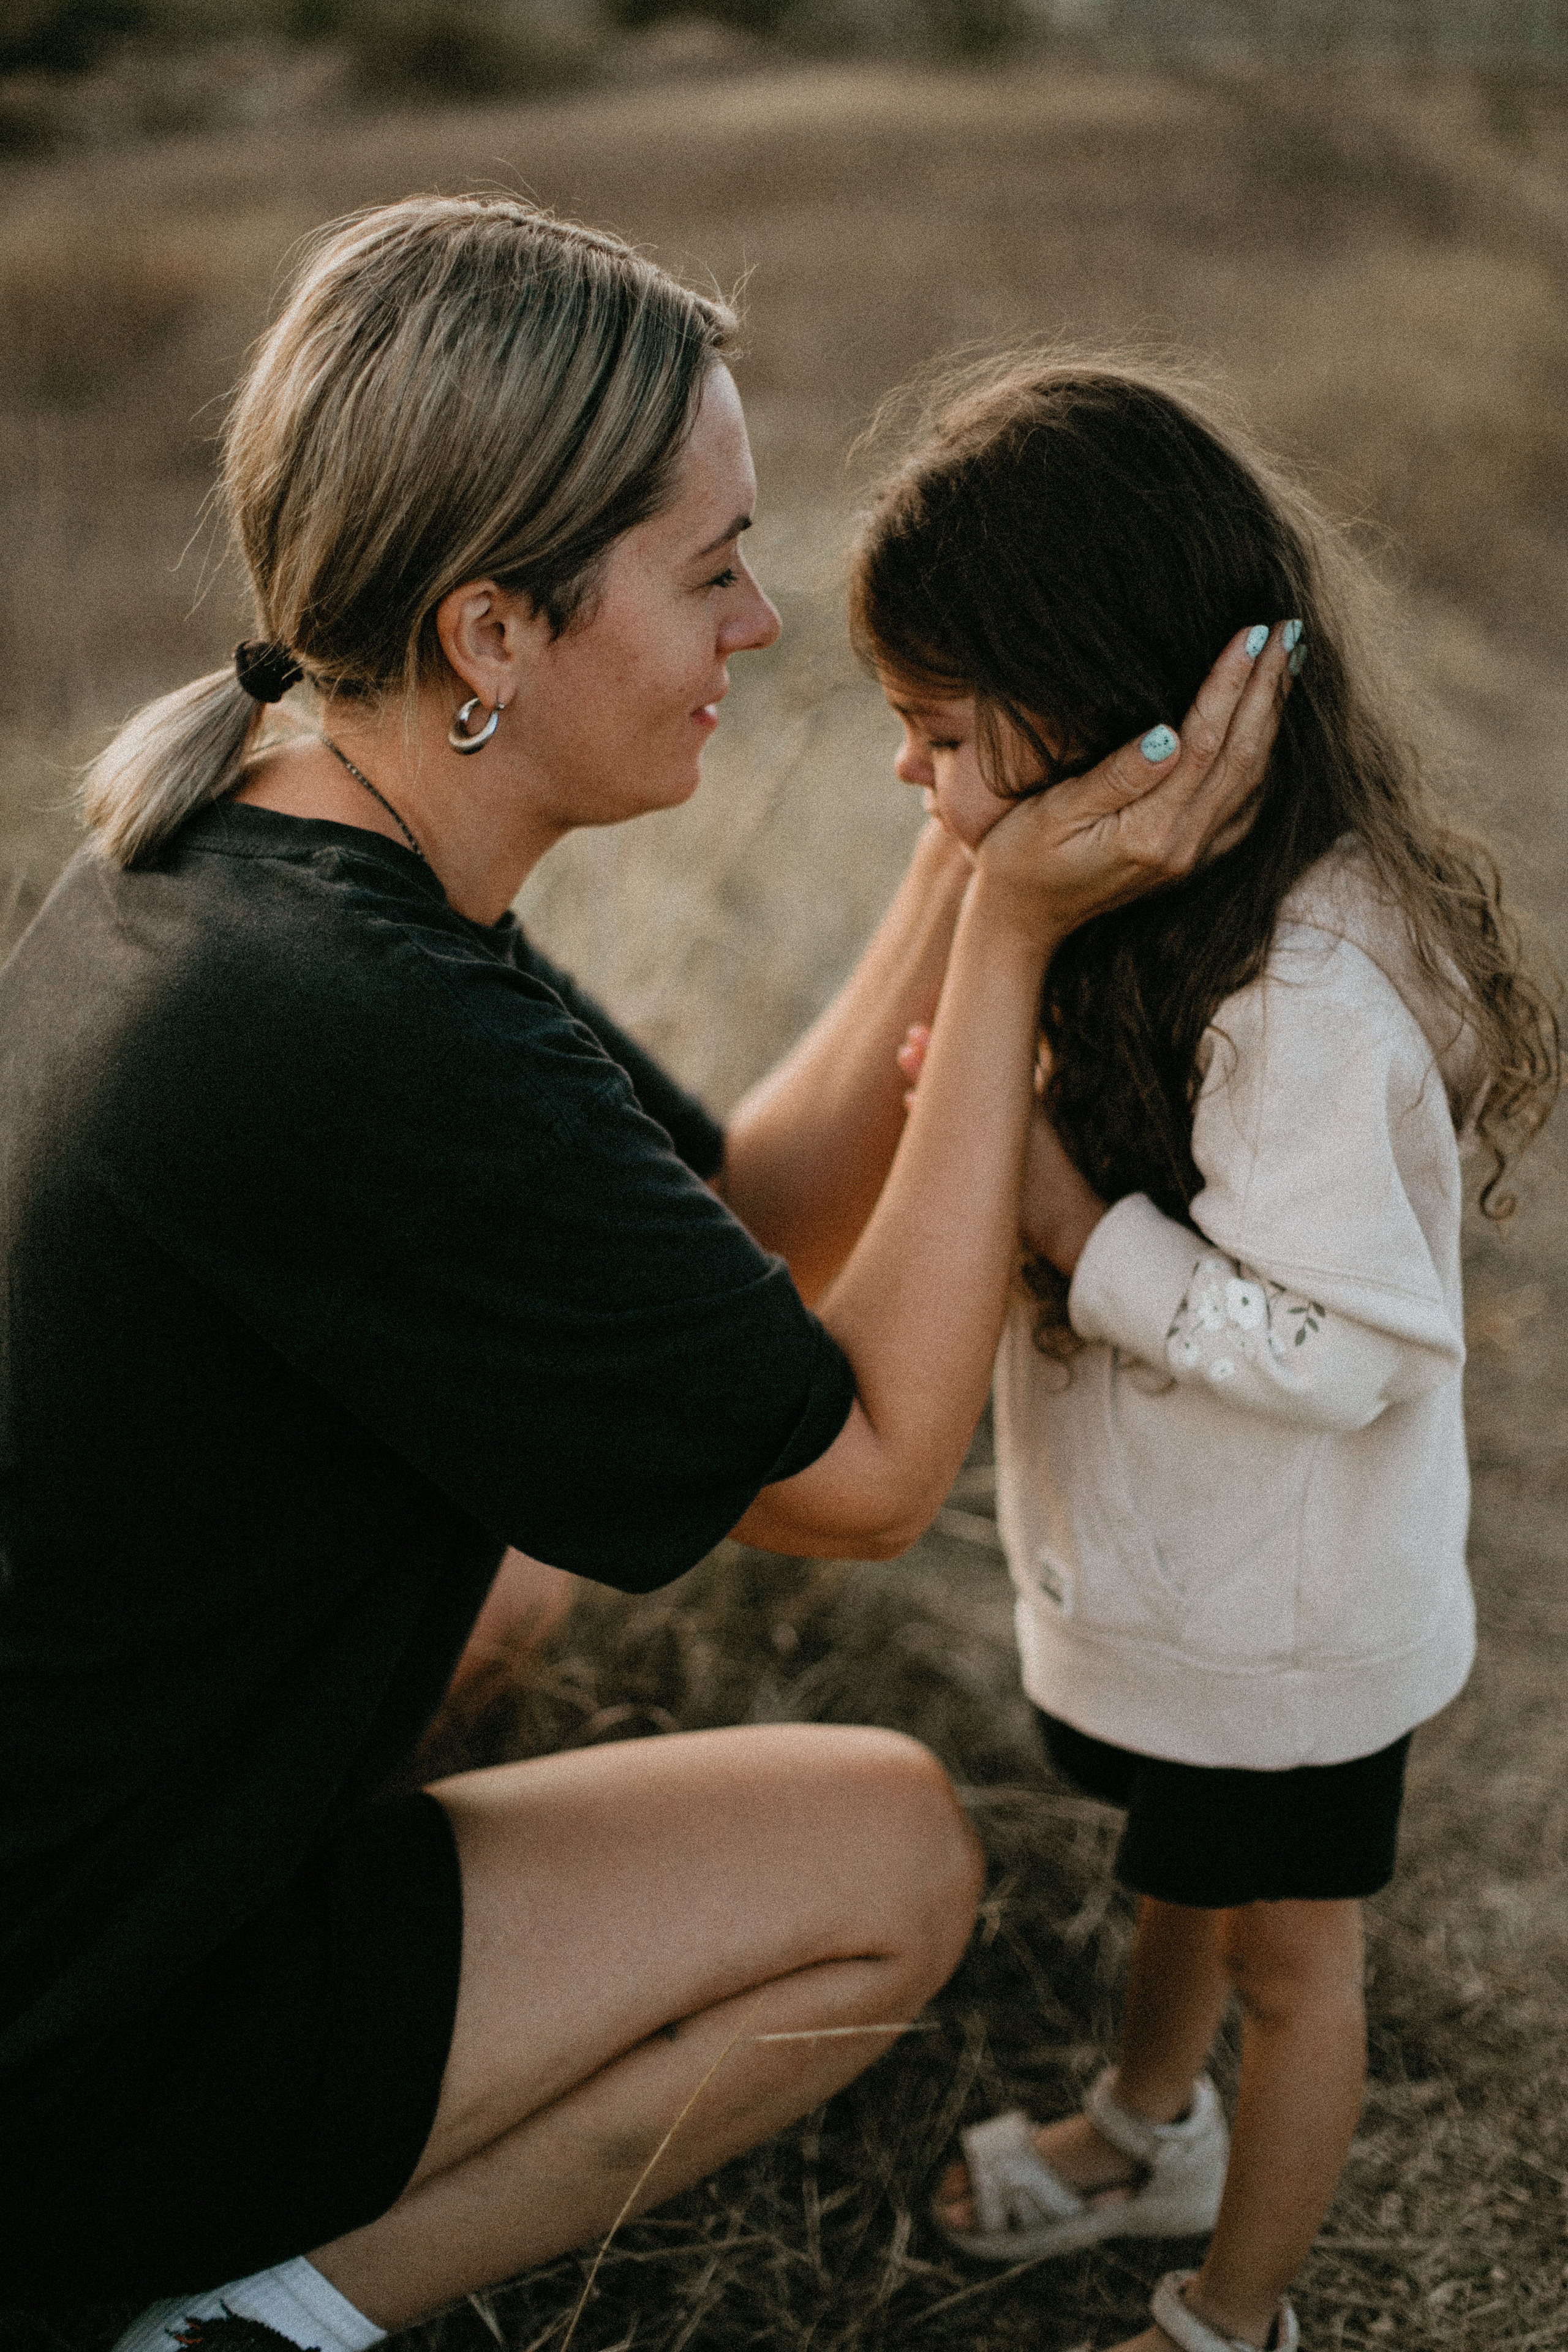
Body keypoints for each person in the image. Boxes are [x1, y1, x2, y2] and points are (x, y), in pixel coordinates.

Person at [0, 206, 1283, 2351]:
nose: (763, 625)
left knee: (518, 1571)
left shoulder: (263, 839)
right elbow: (871, 1472)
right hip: (74, 2031)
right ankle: (238, 2326)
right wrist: (1020, 941)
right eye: (708, 573)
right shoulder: (366, 1034)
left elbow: (749, 1213)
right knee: (888, 1860)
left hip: (79, 1849)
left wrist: (970, 827)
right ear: (492, 631)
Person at [852, 356, 1559, 2352]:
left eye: (935, 732)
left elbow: (1341, 1351)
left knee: (1290, 1961)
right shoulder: (1126, 906)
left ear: (1085, 706)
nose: (909, 779)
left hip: (1292, 1625)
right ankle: (1142, 2129)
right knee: (1184, 1878)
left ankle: (1233, 2319)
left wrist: (1076, 1225)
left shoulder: (1312, 988)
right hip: (1185, 1591)